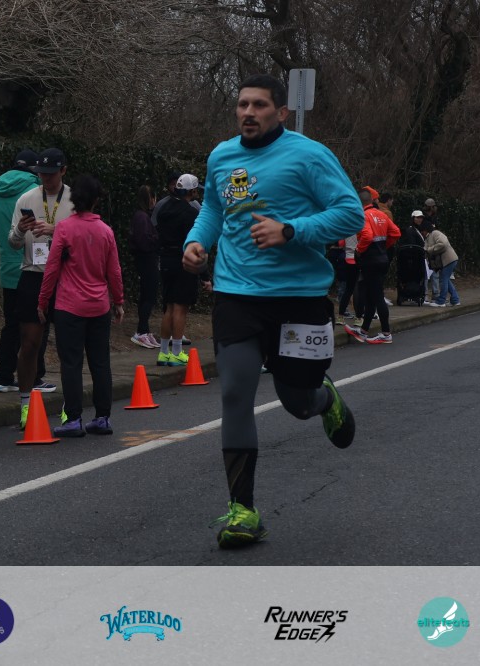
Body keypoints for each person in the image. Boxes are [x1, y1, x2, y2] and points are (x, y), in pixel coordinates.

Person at [182, 74, 363, 549]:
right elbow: (213, 211)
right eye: (243, 104)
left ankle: (323, 399)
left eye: (259, 105)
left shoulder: (309, 155)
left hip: (299, 297)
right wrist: (196, 242)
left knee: (296, 402)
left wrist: (290, 230)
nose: (248, 112)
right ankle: (243, 510)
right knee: (235, 392)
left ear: (281, 112)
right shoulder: (222, 157)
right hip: (237, 294)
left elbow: (350, 214)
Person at [38, 174, 124, 437]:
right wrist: (119, 301)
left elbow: (52, 268)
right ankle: (102, 417)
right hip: (99, 306)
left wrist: (43, 300)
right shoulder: (106, 231)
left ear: (73, 198)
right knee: (100, 362)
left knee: (71, 363)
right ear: (97, 200)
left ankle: (73, 419)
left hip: (69, 306)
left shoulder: (64, 228)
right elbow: (114, 271)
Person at [8, 148, 75, 427]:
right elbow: (13, 243)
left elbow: (85, 240)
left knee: (68, 345)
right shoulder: (26, 199)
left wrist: (55, 231)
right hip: (33, 275)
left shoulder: (74, 200)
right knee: (29, 343)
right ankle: (26, 405)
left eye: (51, 174)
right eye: (41, 174)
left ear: (63, 171)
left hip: (65, 277)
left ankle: (70, 407)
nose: (45, 179)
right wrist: (21, 230)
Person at [0, 150, 53, 393]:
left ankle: (3, 376)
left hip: (7, 265)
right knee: (38, 324)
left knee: (11, 324)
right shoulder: (36, 192)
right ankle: (35, 376)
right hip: (33, 267)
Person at [156, 174, 205, 366]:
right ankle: (177, 351)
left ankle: (163, 352)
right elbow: (195, 243)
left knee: (169, 306)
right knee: (181, 307)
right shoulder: (190, 213)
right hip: (183, 261)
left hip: (165, 260)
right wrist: (204, 274)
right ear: (191, 191)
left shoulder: (163, 209)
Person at [344, 189, 400, 344]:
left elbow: (367, 235)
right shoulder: (382, 214)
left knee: (377, 296)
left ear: (359, 203)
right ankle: (363, 331)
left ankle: (386, 333)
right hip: (382, 259)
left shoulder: (364, 216)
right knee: (371, 296)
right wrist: (384, 247)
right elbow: (396, 232)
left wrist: (359, 250)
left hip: (370, 261)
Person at [128, 185, 160, 349]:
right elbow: (143, 241)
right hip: (146, 260)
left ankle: (145, 330)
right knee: (148, 295)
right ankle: (141, 330)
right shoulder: (142, 217)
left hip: (146, 259)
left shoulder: (143, 216)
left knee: (148, 295)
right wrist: (156, 240)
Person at [422, 221, 461, 307]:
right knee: (446, 280)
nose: (422, 233)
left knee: (443, 280)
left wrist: (430, 249)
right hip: (448, 260)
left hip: (448, 260)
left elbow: (443, 244)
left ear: (425, 230)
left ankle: (441, 301)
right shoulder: (428, 237)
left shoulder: (435, 233)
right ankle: (455, 300)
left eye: (422, 231)